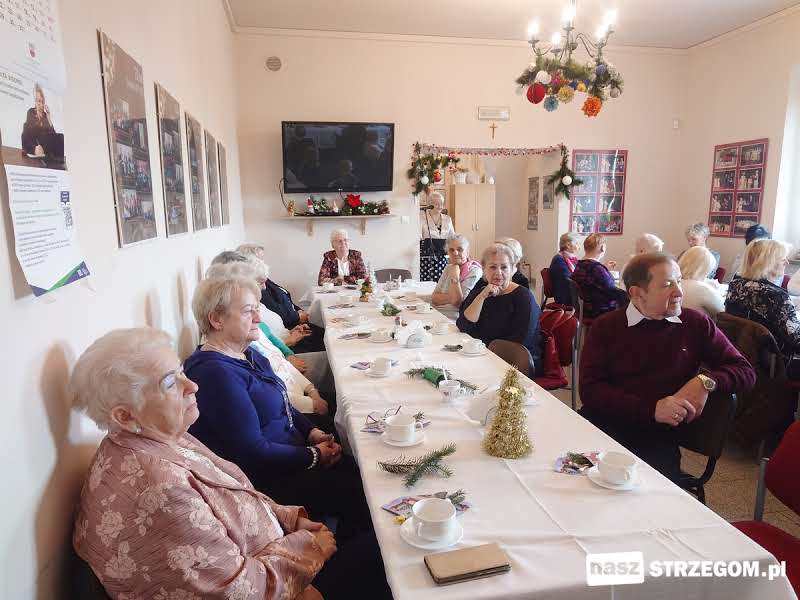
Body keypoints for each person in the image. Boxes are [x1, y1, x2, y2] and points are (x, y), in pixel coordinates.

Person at [71, 328, 389, 600]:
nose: (192, 386)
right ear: (125, 416)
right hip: (282, 585)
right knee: (383, 552)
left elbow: (236, 493)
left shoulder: (157, 436)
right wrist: (310, 548)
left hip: (276, 556)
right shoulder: (158, 489)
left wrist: (292, 520)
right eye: (169, 383)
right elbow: (236, 591)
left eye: (181, 372)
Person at [184, 275, 374, 537]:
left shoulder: (247, 353)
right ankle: (342, 554)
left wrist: (311, 432)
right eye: (248, 311)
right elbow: (254, 452)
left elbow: (282, 401)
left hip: (291, 453)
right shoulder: (214, 374)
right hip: (269, 481)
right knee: (363, 491)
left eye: (257, 309)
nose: (258, 318)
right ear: (216, 319)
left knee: (363, 465)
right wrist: (314, 455)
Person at [580, 253, 755, 481]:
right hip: (602, 424)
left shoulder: (695, 324)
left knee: (641, 494)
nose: (679, 292)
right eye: (667, 285)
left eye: (679, 281)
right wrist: (651, 408)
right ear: (637, 293)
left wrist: (705, 381)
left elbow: (745, 370)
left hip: (655, 437)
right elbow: (590, 391)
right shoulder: (607, 327)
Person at [457, 243, 542, 373]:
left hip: (516, 365)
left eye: (504, 267)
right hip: (481, 357)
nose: (498, 272)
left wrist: (485, 355)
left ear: (512, 270)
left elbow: (521, 342)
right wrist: (482, 297)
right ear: (484, 269)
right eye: (492, 267)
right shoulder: (481, 292)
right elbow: (463, 325)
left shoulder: (523, 297)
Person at [725, 239, 800, 379]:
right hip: (774, 366)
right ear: (769, 263)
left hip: (741, 357)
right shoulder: (777, 296)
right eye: (783, 259)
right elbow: (797, 342)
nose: (787, 263)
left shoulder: (735, 285)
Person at [237, 243, 326, 352]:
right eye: (260, 259)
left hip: (289, 333)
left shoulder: (257, 298)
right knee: (329, 342)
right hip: (287, 345)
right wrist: (289, 338)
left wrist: (290, 331)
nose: (264, 287)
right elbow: (265, 347)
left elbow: (271, 333)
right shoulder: (248, 308)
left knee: (327, 335)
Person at [570, 233, 627, 318]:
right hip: (598, 310)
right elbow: (611, 290)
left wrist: (604, 268)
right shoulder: (596, 268)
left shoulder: (579, 265)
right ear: (602, 248)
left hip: (584, 309)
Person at [431, 234, 482, 320]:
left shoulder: (475, 271)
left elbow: (458, 303)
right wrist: (452, 297)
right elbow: (434, 298)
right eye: (451, 250)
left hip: (454, 318)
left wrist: (455, 275)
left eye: (459, 249)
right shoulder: (448, 267)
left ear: (467, 252)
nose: (455, 253)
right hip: (437, 312)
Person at [678, 247, 725, 319]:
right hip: (697, 325)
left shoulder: (671, 283)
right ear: (705, 270)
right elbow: (722, 311)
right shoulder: (703, 289)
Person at [21, 83, 55, 156]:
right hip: (33, 151)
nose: (41, 104)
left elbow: (54, 138)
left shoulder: (45, 116)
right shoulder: (31, 112)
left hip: (44, 153)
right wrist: (34, 149)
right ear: (35, 101)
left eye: (43, 102)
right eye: (39, 101)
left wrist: (49, 117)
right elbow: (26, 136)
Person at [548, 232, 581, 306]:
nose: (579, 247)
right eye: (577, 244)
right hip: (565, 296)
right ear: (568, 245)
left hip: (570, 292)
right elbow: (569, 280)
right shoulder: (559, 259)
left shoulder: (570, 258)